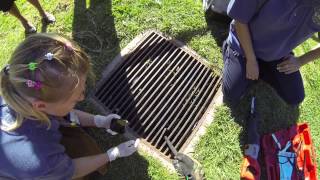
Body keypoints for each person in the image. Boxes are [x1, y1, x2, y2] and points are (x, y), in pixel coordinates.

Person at [0, 33, 139, 179]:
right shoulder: (39, 161)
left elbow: (63, 112)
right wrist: (111, 155)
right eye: (75, 98)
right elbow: (71, 171)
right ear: (40, 106)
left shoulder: (19, 86)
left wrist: (100, 121)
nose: (82, 97)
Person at [222, 0, 320, 106]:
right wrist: (251, 59)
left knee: (295, 97)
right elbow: (239, 20)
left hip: (277, 54)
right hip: (244, 44)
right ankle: (231, 50)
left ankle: (260, 68)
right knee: (232, 92)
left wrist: (300, 61)